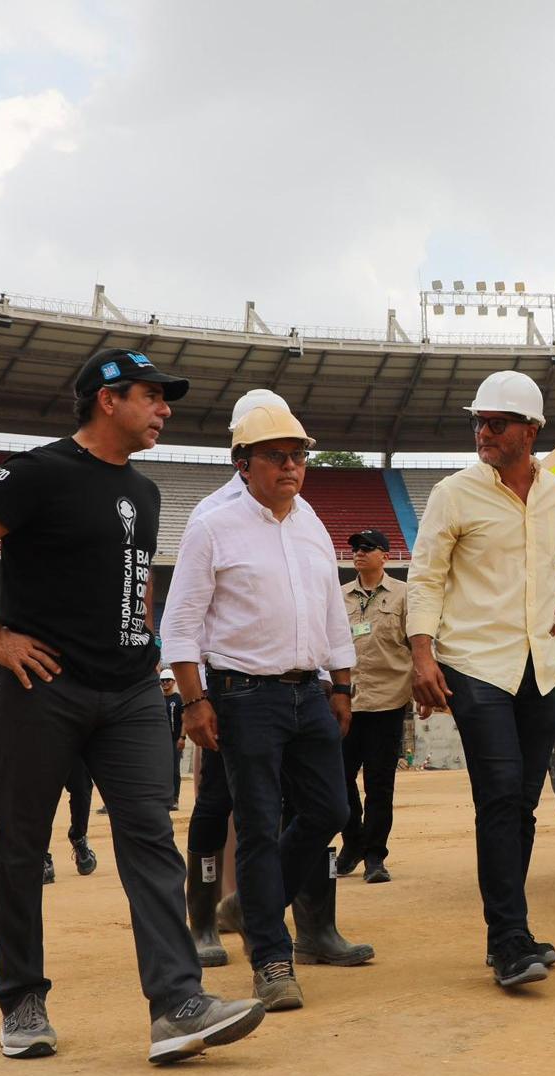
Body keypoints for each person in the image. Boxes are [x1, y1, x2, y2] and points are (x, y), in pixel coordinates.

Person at [0, 345, 264, 1064]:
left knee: (149, 834)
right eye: (151, 395)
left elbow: (135, 582)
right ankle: (21, 998)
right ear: (107, 399)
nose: (164, 409)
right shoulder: (38, 471)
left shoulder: (145, 491)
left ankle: (177, 1002)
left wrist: (145, 643)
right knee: (21, 844)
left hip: (132, 689)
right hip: (39, 686)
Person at [162, 402, 372, 1014]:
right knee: (255, 825)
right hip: (244, 694)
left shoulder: (311, 522)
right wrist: (196, 700)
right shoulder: (213, 525)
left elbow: (332, 614)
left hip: (310, 692)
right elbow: (180, 625)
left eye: (299, 455)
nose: (292, 465)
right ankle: (272, 961)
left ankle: (254, 902)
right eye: (277, 455)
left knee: (331, 808)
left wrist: (341, 685)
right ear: (243, 462)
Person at [407, 370, 555, 988]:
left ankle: (508, 932)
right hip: (475, 665)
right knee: (498, 795)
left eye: (497, 423)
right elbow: (427, 576)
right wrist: (423, 654)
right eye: (479, 423)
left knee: (521, 804)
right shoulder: (453, 494)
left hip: (541, 667)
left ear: (531, 430)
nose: (483, 433)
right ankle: (509, 940)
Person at [180, 386, 293, 968]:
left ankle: (298, 917)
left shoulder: (296, 506)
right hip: (224, 687)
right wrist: (197, 696)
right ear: (240, 449)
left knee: (286, 806)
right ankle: (202, 918)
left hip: (286, 689)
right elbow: (191, 614)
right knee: (215, 803)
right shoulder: (211, 513)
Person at [337, 529, 412, 884]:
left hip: (388, 700)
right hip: (347, 703)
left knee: (380, 785)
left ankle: (374, 857)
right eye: (355, 549)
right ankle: (353, 840)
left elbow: (417, 643)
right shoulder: (340, 597)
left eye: (367, 548)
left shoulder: (403, 595)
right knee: (339, 779)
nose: (359, 553)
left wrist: (424, 691)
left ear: (385, 555)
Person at [162, 668, 184, 811]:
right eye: (162, 681)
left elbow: (185, 720)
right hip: (161, 741)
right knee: (162, 771)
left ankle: (175, 799)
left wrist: (182, 737)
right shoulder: (158, 699)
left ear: (174, 682)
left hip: (175, 739)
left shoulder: (178, 699)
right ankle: (164, 798)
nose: (165, 683)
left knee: (175, 770)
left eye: (167, 680)